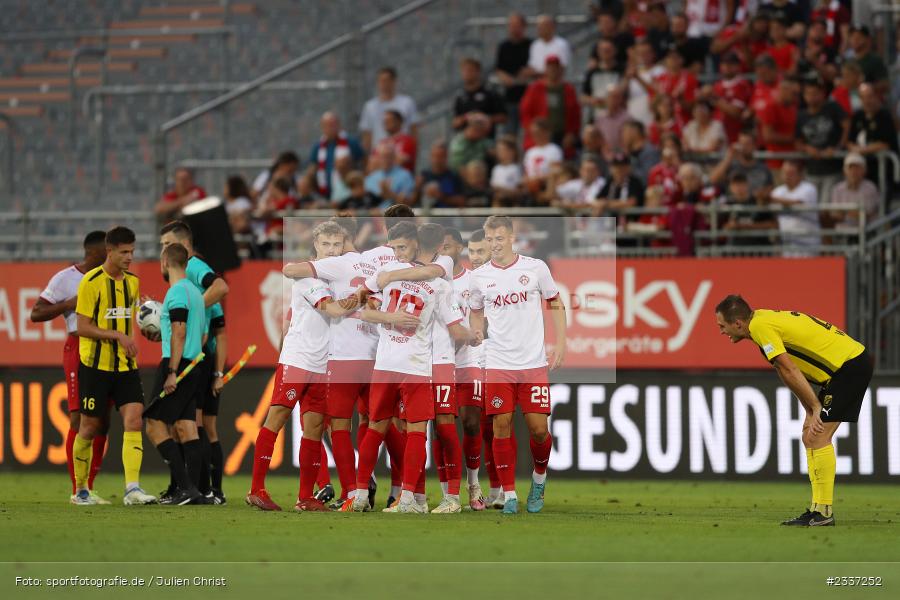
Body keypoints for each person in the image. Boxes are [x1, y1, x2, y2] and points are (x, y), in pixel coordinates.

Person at [714, 294, 873, 526]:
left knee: (818, 436)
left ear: (737, 323)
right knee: (809, 436)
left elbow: (789, 369)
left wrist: (816, 406)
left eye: (722, 326)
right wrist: (809, 408)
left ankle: (824, 512)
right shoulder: (761, 321)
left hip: (849, 366)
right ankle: (817, 509)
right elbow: (783, 369)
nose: (721, 331)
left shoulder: (759, 327)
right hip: (843, 368)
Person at [351, 222, 475, 513]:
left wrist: (388, 316)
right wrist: (479, 334)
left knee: (375, 428)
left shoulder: (388, 277)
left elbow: (363, 310)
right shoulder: (440, 284)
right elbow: (458, 332)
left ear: (416, 244)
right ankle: (412, 499)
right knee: (422, 430)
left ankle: (359, 495)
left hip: (385, 364)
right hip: (418, 366)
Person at [246, 222, 355, 511]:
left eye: (337, 245)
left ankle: (305, 497)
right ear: (316, 245)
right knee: (277, 417)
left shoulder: (338, 277)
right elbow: (332, 309)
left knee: (315, 427)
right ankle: (257, 488)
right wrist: (363, 296)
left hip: (322, 363)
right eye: (326, 244)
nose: (332, 250)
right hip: (298, 359)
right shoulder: (308, 277)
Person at [468, 215, 567, 514]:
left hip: (533, 363)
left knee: (538, 429)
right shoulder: (480, 276)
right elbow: (475, 311)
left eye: (499, 239)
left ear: (511, 238)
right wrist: (477, 332)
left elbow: (556, 302)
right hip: (498, 362)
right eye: (490, 239)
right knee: (501, 424)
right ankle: (509, 493)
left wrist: (561, 343)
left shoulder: (535, 267)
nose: (494, 244)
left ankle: (539, 479)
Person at [71, 226, 155, 506]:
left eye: (132, 251)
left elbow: (131, 318)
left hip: (125, 366)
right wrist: (118, 335)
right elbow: (82, 327)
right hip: (95, 366)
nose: (130, 257)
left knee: (134, 419)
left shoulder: (132, 283)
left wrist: (147, 322)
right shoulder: (91, 282)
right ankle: (81, 491)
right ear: (110, 251)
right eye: (124, 252)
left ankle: (132, 489)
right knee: (89, 427)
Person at [31, 231, 109, 504]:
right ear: (95, 252)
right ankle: (79, 489)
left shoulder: (111, 278)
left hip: (107, 348)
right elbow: (36, 312)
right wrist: (68, 304)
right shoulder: (66, 279)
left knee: (103, 421)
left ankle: (90, 486)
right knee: (80, 419)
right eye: (108, 250)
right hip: (79, 347)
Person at [158, 221, 230, 503]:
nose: (163, 250)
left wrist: (192, 308)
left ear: (184, 246)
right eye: (162, 245)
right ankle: (196, 488)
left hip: (197, 357)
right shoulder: (184, 280)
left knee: (191, 424)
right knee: (189, 424)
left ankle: (199, 489)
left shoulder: (193, 266)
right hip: (199, 355)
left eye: (167, 244)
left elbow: (221, 286)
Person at [143, 243, 208, 505]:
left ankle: (185, 488)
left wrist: (172, 371)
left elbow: (179, 332)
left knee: (154, 425)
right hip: (195, 364)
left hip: (176, 365)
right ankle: (193, 491)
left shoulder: (176, 292)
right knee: (186, 427)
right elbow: (201, 334)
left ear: (165, 262)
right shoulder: (195, 292)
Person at [796, 77, 848, 198]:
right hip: (812, 170)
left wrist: (838, 147)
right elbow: (797, 141)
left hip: (833, 169)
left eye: (815, 93)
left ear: (822, 94)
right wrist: (806, 148)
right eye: (808, 93)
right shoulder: (801, 115)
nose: (812, 97)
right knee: (812, 208)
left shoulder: (832, 108)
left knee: (827, 210)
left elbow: (847, 125)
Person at [519, 55, 581, 156]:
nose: (553, 70)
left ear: (560, 70)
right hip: (542, 135)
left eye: (555, 68)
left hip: (562, 135)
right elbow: (525, 112)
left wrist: (571, 133)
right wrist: (534, 131)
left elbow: (575, 114)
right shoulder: (535, 88)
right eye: (550, 68)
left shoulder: (568, 89)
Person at [359, 66, 420, 152]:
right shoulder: (369, 106)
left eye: (386, 80)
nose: (383, 84)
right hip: (379, 155)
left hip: (401, 154)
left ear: (394, 81)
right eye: (381, 81)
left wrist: (412, 153)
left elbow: (414, 131)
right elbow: (367, 135)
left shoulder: (407, 103)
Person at [307, 111, 364, 201]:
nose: (331, 128)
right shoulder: (318, 146)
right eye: (327, 125)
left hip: (347, 191)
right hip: (324, 193)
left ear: (339, 125)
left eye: (333, 124)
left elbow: (363, 162)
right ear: (322, 127)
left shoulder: (351, 142)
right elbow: (312, 168)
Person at [848, 83, 900, 181]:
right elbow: (850, 141)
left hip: (884, 170)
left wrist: (862, 150)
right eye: (863, 97)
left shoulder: (885, 116)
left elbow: (885, 144)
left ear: (877, 96)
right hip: (862, 171)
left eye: (869, 96)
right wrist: (853, 148)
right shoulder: (857, 116)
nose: (866, 101)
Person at [769, 160, 821, 256]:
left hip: (807, 244)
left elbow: (798, 204)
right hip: (787, 244)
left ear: (799, 174)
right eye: (784, 173)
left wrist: (771, 199)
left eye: (791, 173)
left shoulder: (808, 188)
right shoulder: (777, 192)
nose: (787, 176)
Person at [494, 12, 532, 135]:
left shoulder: (531, 45)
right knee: (509, 133)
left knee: (530, 132)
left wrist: (527, 72)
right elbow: (499, 69)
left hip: (529, 95)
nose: (514, 29)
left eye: (517, 25)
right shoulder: (504, 46)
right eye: (512, 25)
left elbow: (535, 67)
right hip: (510, 97)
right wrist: (505, 78)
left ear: (524, 27)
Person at [709, 130, 774, 197]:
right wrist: (728, 158)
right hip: (732, 204)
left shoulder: (763, 168)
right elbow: (713, 180)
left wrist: (762, 194)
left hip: (754, 205)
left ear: (755, 146)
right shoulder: (731, 165)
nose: (744, 147)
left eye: (747, 144)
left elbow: (770, 189)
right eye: (741, 144)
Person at [705, 52, 752, 143]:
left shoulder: (742, 84)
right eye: (724, 63)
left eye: (731, 64)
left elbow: (736, 112)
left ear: (738, 66)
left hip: (735, 133)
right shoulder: (717, 85)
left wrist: (715, 98)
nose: (727, 66)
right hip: (717, 136)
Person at [720, 172, 777, 247]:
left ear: (747, 185)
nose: (738, 188)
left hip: (759, 249)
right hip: (736, 251)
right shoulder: (727, 205)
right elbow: (720, 232)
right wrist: (730, 226)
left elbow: (772, 224)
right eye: (735, 184)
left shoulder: (758, 201)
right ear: (730, 187)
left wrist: (745, 226)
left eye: (741, 184)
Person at [453, 58, 506, 136]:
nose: (467, 73)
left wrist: (484, 118)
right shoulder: (460, 96)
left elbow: (503, 117)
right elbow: (455, 123)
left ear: (478, 72)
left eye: (470, 70)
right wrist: (466, 118)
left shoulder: (490, 93)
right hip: (466, 141)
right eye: (464, 71)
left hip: (486, 140)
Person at [829, 153, 880, 228]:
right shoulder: (837, 188)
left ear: (864, 170)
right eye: (850, 168)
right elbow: (835, 215)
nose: (854, 171)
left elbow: (865, 215)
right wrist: (852, 212)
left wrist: (844, 211)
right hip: (843, 233)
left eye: (857, 168)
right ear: (844, 171)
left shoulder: (870, 188)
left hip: (866, 233)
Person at [522, 119, 563, 200]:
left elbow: (556, 171)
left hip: (545, 185)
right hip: (531, 186)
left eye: (537, 132)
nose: (534, 135)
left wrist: (538, 179)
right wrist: (528, 181)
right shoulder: (530, 152)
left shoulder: (554, 149)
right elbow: (526, 173)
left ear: (546, 132)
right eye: (532, 133)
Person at [364, 142, 415, 208]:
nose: (385, 160)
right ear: (378, 158)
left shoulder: (405, 175)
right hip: (373, 216)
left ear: (394, 157)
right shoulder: (370, 178)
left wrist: (390, 194)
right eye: (383, 157)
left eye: (388, 156)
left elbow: (409, 203)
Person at [417, 141, 464, 208]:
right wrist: (417, 189)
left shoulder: (454, 176)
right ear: (430, 157)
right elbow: (413, 202)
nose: (437, 160)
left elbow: (461, 201)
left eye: (440, 156)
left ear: (446, 157)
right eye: (434, 156)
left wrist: (440, 196)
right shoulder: (423, 176)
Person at [846, 24, 889, 94]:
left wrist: (868, 87)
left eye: (859, 37)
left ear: (867, 39)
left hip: (869, 98)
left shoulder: (875, 60)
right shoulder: (848, 60)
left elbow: (885, 84)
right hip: (849, 98)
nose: (855, 40)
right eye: (852, 37)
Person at [490, 136, 524, 205]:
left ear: (512, 151)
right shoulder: (496, 169)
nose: (500, 153)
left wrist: (503, 190)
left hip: (513, 201)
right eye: (498, 150)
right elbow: (494, 188)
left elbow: (519, 191)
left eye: (503, 150)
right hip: (499, 201)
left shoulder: (516, 168)